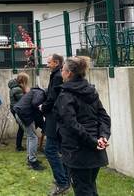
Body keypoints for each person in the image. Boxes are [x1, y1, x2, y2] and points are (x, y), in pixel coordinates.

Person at [55, 56, 111, 196]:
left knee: (83, 190)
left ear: (68, 73)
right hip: (94, 149)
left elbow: (72, 125)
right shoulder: (90, 91)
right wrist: (102, 137)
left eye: (62, 69)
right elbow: (104, 117)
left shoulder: (66, 95)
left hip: (78, 152)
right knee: (90, 188)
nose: (61, 72)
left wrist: (99, 139)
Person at [41, 54, 70, 195]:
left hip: (54, 117)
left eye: (49, 62)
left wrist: (43, 107)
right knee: (60, 149)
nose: (47, 65)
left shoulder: (58, 76)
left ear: (56, 62)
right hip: (56, 116)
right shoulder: (56, 74)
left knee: (50, 150)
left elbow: (53, 96)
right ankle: (65, 179)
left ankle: (62, 181)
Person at [13, 85, 47, 171]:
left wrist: (43, 125)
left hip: (20, 112)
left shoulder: (35, 91)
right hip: (23, 114)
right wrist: (42, 108)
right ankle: (32, 161)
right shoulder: (41, 93)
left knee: (30, 136)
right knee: (33, 137)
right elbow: (35, 103)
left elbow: (38, 115)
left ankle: (30, 158)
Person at [8, 72, 29, 151]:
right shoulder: (17, 89)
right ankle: (18, 146)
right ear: (23, 80)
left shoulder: (16, 87)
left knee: (21, 127)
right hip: (17, 110)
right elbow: (24, 101)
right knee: (22, 127)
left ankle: (19, 146)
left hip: (14, 109)